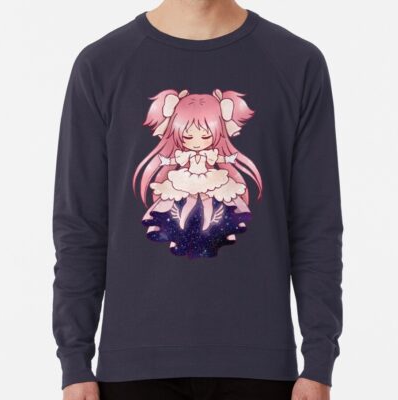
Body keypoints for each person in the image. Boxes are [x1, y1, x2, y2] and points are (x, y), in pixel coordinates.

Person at [51, 1, 343, 399]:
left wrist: (319, 361)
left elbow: (316, 226)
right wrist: (74, 362)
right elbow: (80, 227)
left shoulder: (297, 64)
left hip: (261, 367)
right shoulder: (101, 65)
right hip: (133, 369)